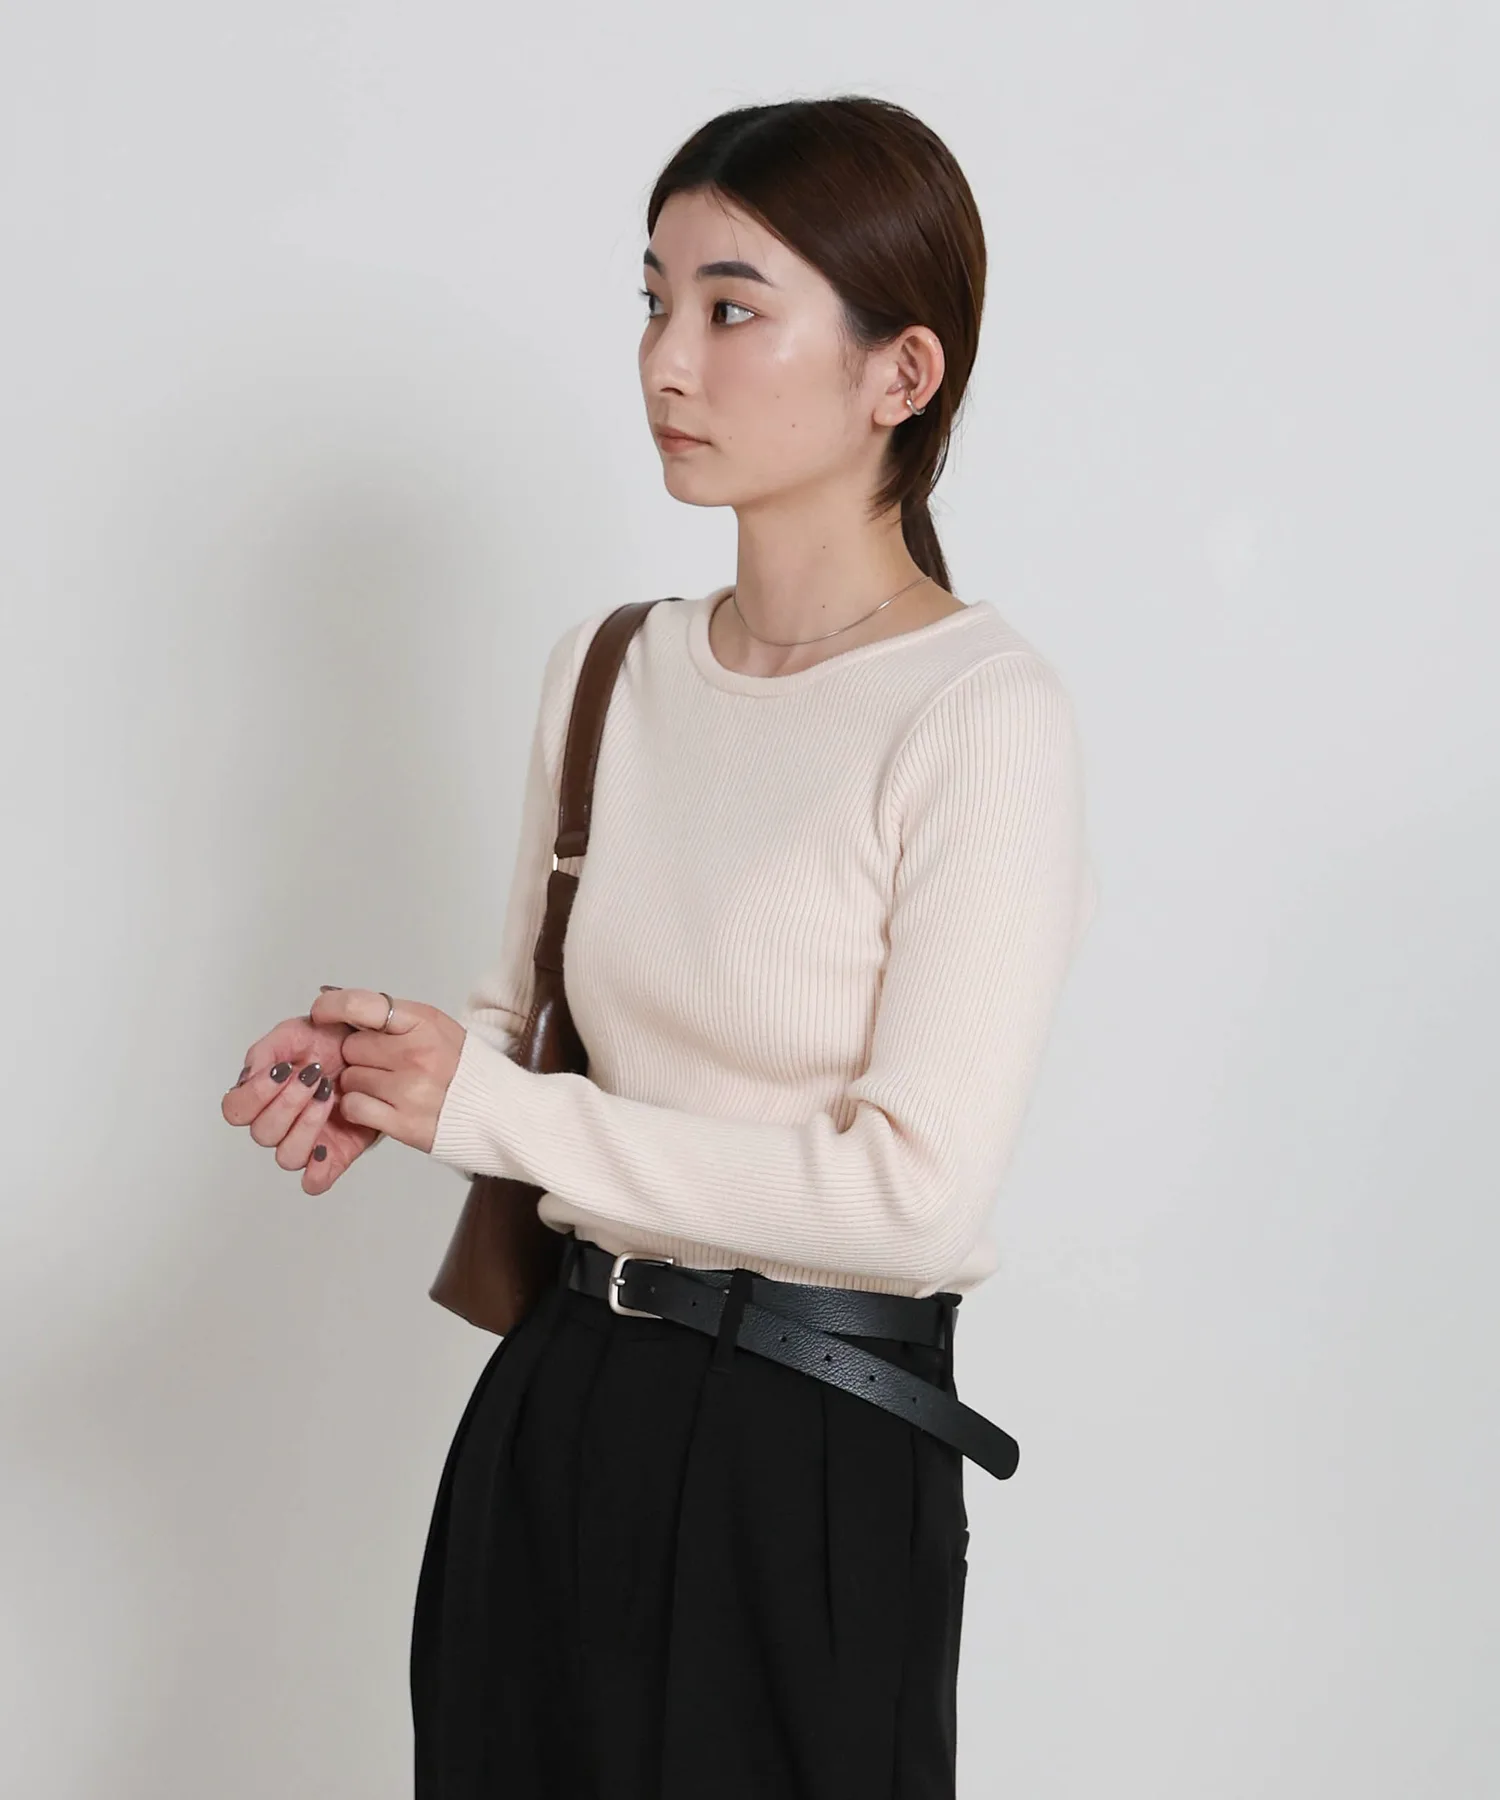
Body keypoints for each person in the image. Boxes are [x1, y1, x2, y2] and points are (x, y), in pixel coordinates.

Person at [222, 94, 1099, 1800]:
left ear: (901, 374)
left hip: (814, 1445)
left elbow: (915, 1199)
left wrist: (494, 1109)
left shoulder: (980, 717)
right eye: (652, 300)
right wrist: (383, 1071)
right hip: (558, 1403)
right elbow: (524, 1037)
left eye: (731, 307)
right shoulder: (610, 666)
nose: (666, 362)